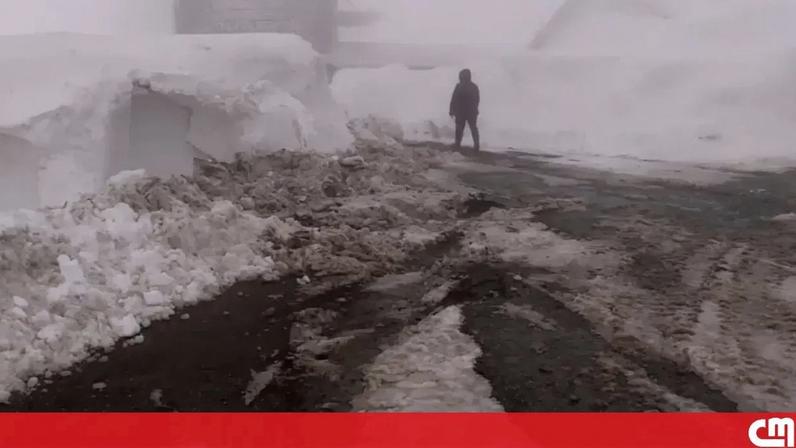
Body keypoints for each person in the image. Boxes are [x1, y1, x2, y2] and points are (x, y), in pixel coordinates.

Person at [449, 68, 480, 150]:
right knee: (469, 128)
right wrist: (452, 110)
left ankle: (459, 144)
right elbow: (477, 100)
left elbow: (454, 99)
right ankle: (474, 145)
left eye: (461, 76)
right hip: (469, 112)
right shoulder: (473, 87)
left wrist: (452, 110)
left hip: (464, 112)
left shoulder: (460, 86)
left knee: (464, 128)